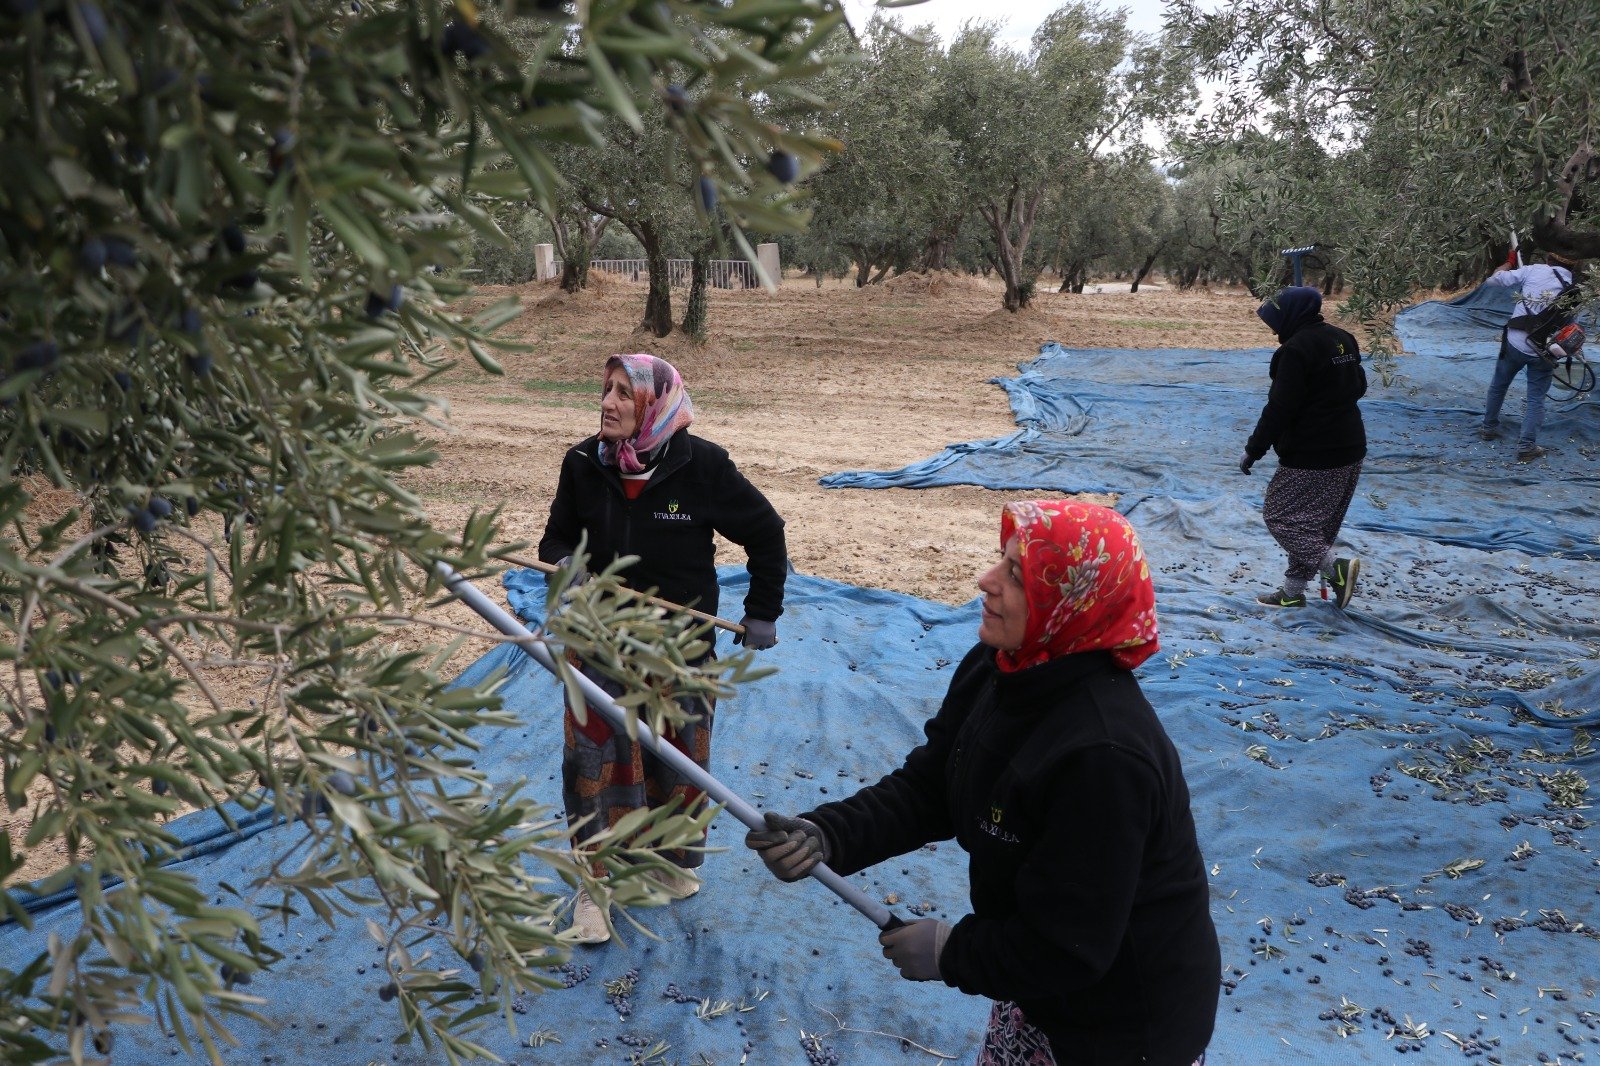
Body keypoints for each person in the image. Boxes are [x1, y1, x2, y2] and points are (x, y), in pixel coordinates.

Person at [745, 500, 1219, 1066]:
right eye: (1003, 561)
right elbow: (931, 786)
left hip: (1120, 1025)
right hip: (1037, 990)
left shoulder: (1103, 757)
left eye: (1017, 575)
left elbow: (1071, 945)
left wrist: (953, 951)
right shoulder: (1002, 666)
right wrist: (828, 835)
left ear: (1074, 604)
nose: (986, 580)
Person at [539, 353, 787, 943]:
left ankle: (669, 864)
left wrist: (761, 612)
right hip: (599, 642)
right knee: (592, 763)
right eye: (606, 389)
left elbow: (765, 531)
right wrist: (565, 566)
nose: (608, 402)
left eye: (624, 393)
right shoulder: (582, 463)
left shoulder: (700, 466)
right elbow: (554, 539)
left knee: (677, 760)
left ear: (654, 404)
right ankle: (593, 886)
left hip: (679, 649)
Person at [1237, 285, 1366, 609]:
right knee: (1314, 526)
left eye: (1274, 321)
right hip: (1350, 448)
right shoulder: (1343, 338)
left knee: (1281, 517)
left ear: (1290, 317)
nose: (1273, 329)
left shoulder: (1295, 351)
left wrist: (1254, 449)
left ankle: (1336, 568)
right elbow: (1360, 385)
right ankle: (1293, 593)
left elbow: (1280, 409)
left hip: (1313, 453)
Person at [1480, 249, 1584, 461]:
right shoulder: (1573, 291)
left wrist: (1509, 264)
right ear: (1573, 267)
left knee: (1499, 385)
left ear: (1548, 258)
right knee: (1536, 399)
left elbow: (1493, 281)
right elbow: (1568, 325)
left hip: (1515, 343)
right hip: (1543, 351)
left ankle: (1488, 428)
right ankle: (1527, 447)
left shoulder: (1533, 270)